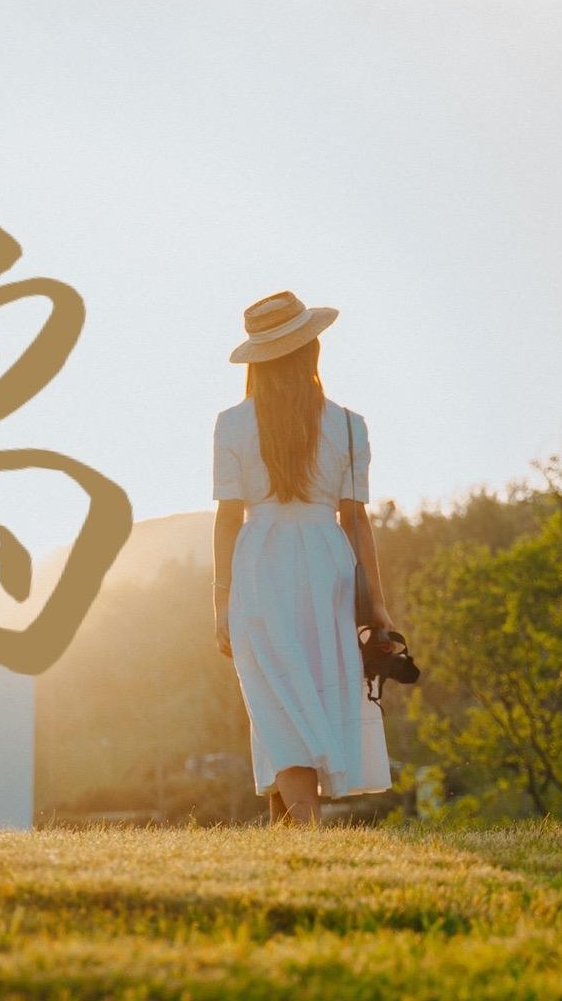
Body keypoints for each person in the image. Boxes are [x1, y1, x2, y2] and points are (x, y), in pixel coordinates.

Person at [212, 290, 399, 824]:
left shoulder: (232, 423)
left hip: (259, 564)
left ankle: (301, 826)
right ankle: (291, 828)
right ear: (311, 350)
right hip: (326, 564)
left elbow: (228, 517)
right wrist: (378, 605)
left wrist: (220, 599)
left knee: (277, 690)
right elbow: (355, 518)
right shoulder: (347, 424)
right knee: (309, 684)